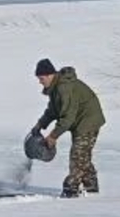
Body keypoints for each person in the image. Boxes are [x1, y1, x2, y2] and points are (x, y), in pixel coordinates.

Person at [31, 58, 105, 197]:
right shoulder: (55, 88)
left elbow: (68, 117)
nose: (39, 81)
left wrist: (53, 136)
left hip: (88, 121)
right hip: (79, 122)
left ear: (49, 75)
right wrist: (40, 124)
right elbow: (53, 110)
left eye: (41, 78)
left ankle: (70, 190)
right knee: (82, 156)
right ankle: (91, 188)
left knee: (77, 156)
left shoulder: (64, 88)